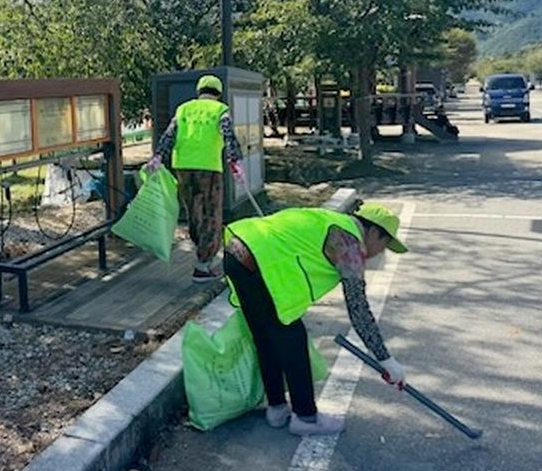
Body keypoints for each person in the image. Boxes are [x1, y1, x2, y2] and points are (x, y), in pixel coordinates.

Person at [223, 202, 407, 435]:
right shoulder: (349, 244)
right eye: (384, 244)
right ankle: (306, 418)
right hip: (258, 263)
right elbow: (358, 309)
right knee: (292, 339)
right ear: (372, 232)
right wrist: (386, 360)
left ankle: (277, 408)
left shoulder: (330, 220)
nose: (381, 252)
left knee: (267, 337)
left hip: (236, 251)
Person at [147, 75, 245, 282]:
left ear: (199, 91)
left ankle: (200, 250)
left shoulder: (183, 109)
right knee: (211, 214)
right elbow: (228, 134)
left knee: (194, 213)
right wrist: (235, 160)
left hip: (182, 166)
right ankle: (203, 266)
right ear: (218, 93)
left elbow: (169, 134)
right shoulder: (220, 110)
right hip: (208, 168)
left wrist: (157, 157)